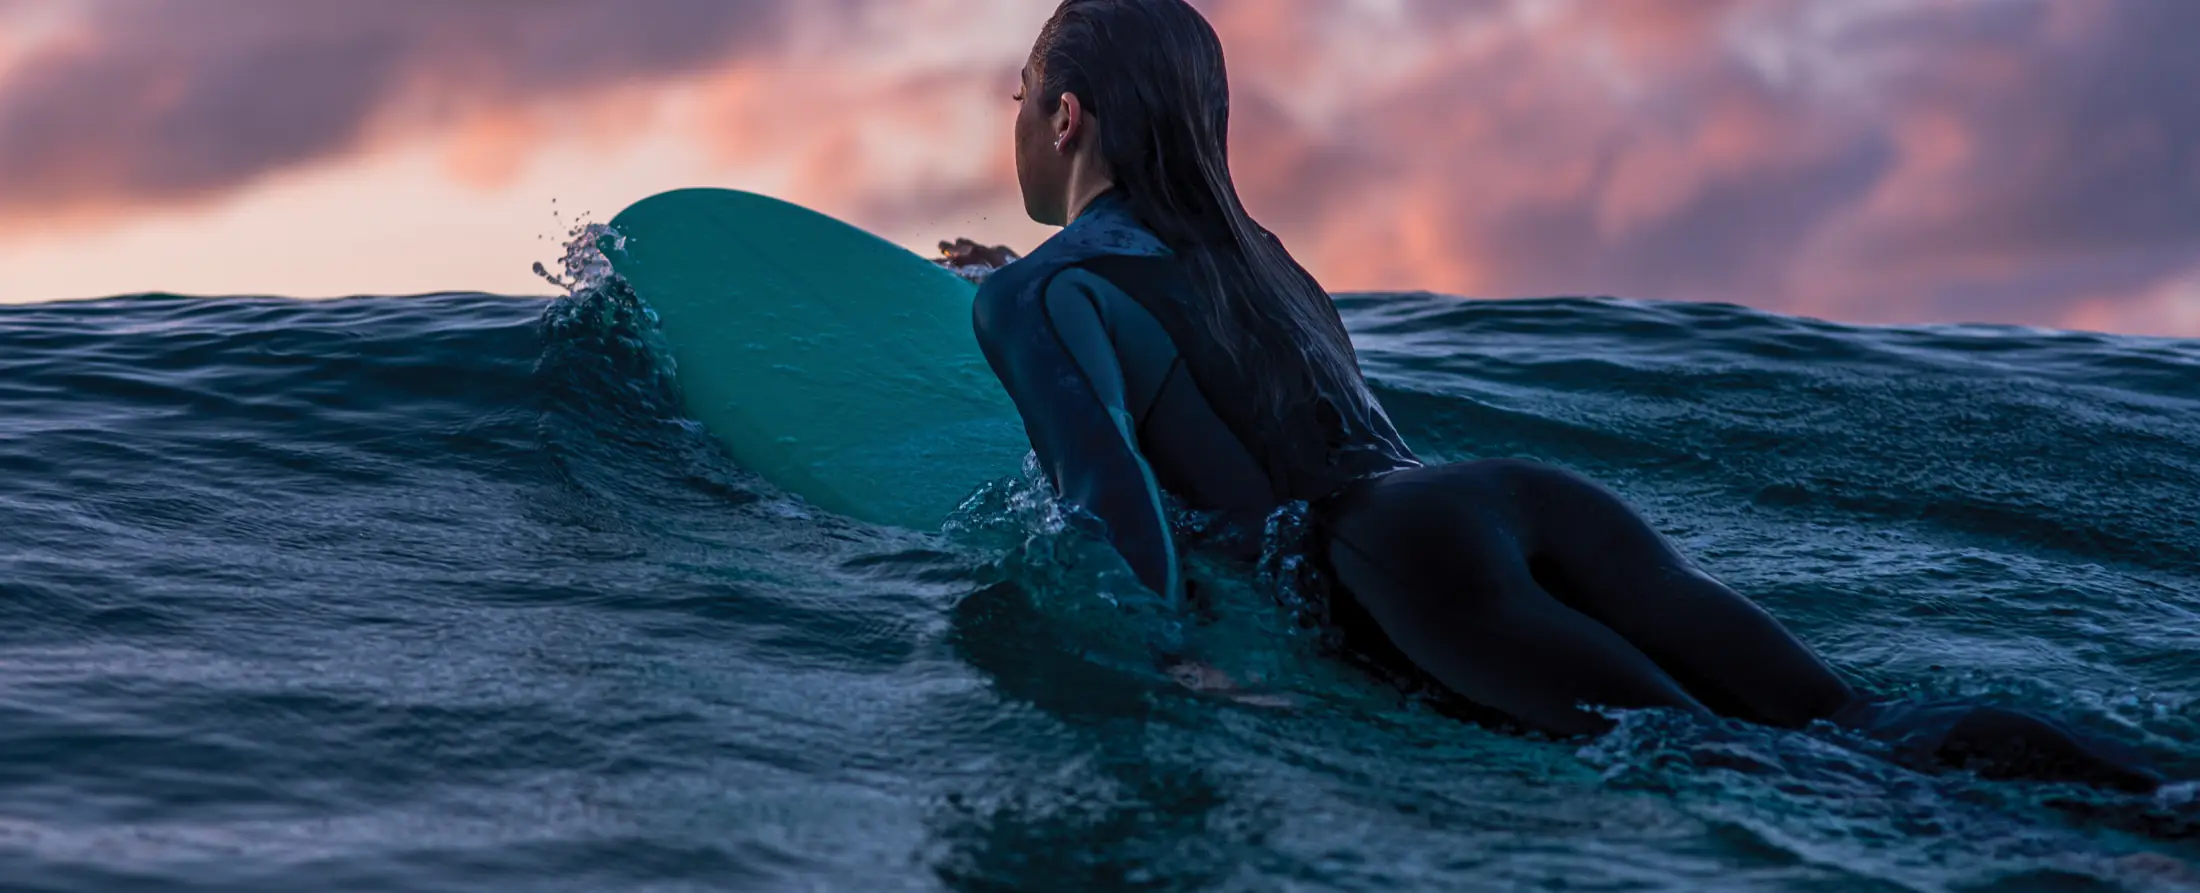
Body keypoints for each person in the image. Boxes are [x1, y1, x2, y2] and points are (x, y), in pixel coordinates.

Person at [953, 0, 2163, 793]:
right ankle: (2154, 794)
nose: (1016, 124)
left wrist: (1170, 671)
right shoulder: (1272, 267)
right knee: (1853, 720)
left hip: (1392, 564)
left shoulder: (1040, 299)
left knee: (1753, 772)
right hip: (1512, 502)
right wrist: (1031, 280)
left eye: (1018, 99)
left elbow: (1109, 505)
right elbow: (1193, 362)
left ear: (1067, 117)